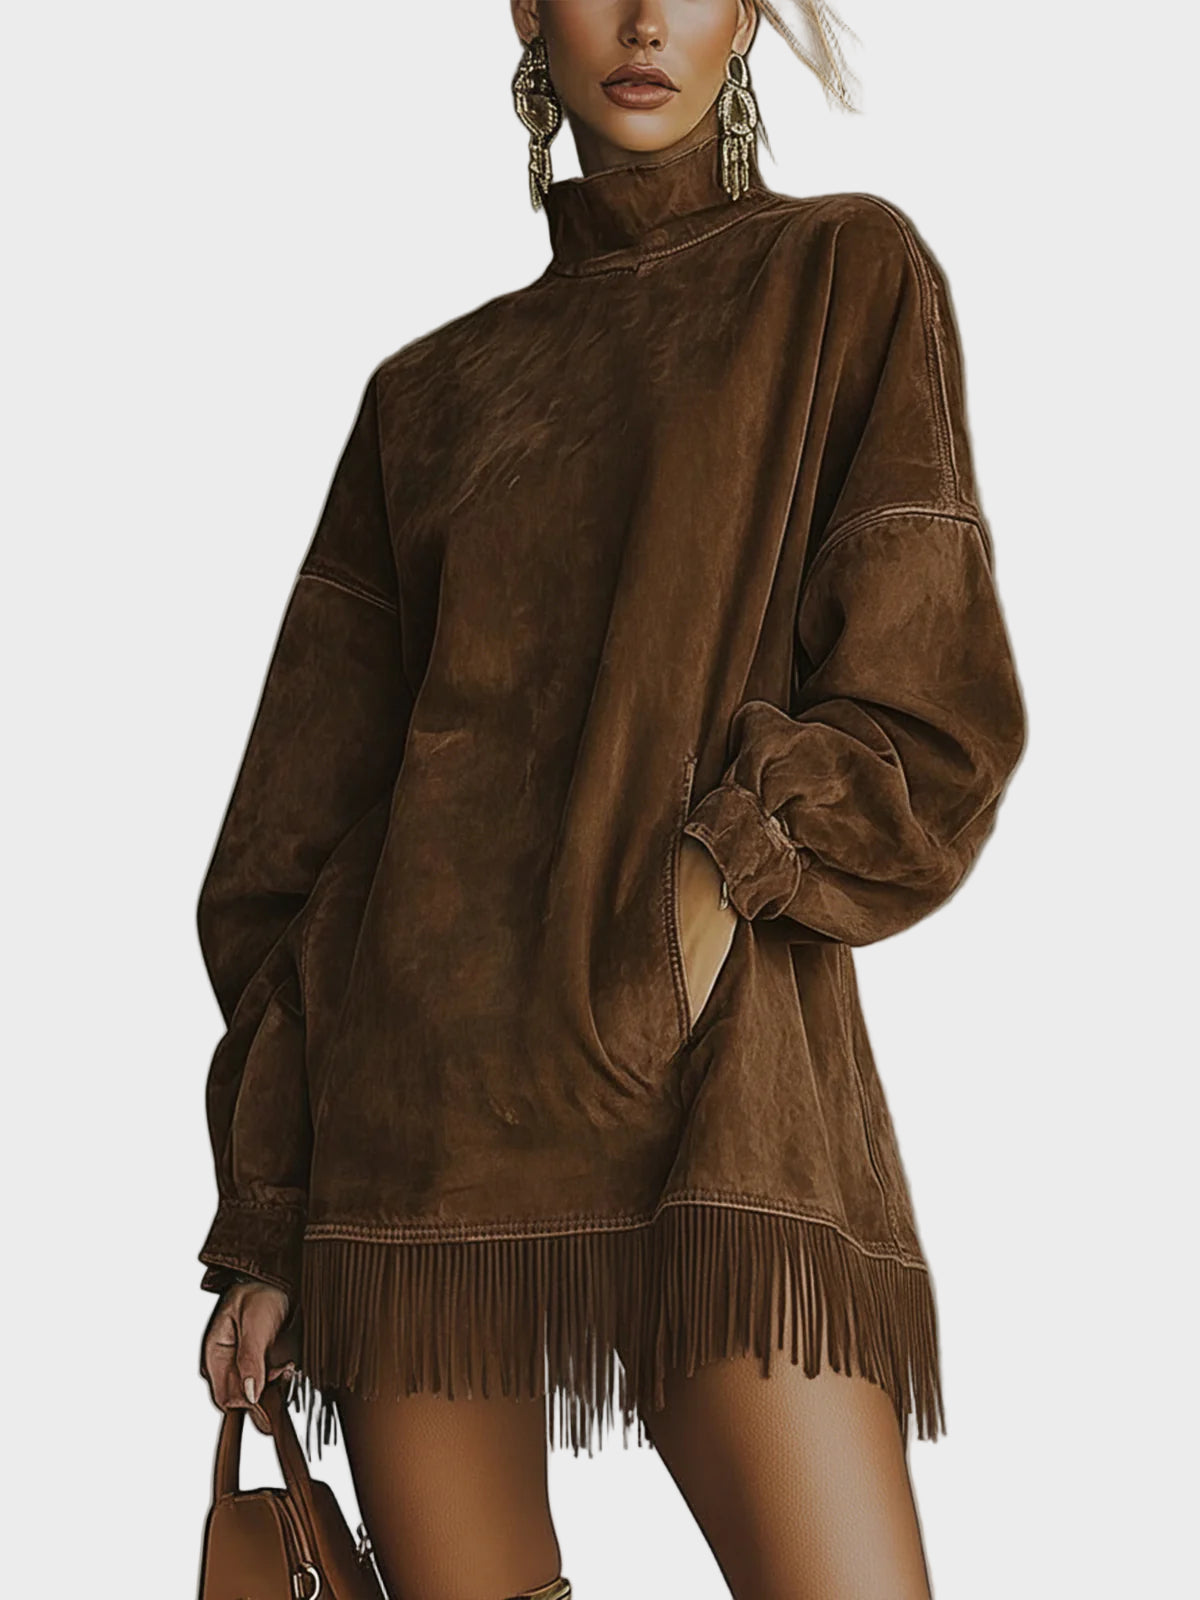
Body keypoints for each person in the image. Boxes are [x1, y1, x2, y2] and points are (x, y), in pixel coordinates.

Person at [198, 3, 1026, 1596]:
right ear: (526, 9)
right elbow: (299, 853)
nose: (645, 19)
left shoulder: (843, 275)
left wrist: (713, 887)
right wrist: (270, 1216)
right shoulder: (427, 398)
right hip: (416, 1144)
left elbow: (926, 712)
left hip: (711, 1100)